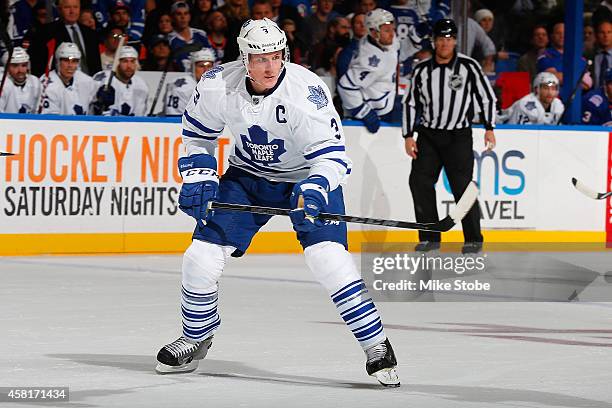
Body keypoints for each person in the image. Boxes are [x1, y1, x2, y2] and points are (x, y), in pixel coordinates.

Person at [154, 18, 400, 387]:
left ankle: (377, 346)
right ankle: (196, 337)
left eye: (275, 56)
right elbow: (197, 136)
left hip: (305, 177)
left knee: (328, 261)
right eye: (259, 58)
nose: (269, 66)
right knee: (199, 257)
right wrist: (199, 175)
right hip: (247, 178)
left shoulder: (306, 93)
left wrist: (315, 189)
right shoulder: (218, 83)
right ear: (244, 59)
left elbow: (333, 158)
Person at [402, 18, 496, 254]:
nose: (445, 43)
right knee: (419, 182)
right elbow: (410, 103)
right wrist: (408, 135)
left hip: (458, 136)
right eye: (440, 39)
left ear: (455, 41)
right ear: (433, 41)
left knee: (463, 188)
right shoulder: (421, 70)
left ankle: (473, 238)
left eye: (449, 38)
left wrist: (489, 127)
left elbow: (487, 97)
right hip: (429, 136)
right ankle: (430, 237)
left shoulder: (469, 66)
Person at [337, 8, 399, 133]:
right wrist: (363, 111)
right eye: (387, 30)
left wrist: (417, 34)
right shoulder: (369, 62)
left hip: (388, 98)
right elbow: (345, 86)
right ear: (374, 32)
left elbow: (398, 46)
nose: (392, 34)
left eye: (392, 29)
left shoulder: (383, 40)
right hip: (379, 111)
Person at [25, 0, 101, 76]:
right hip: (60, 83)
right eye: (67, 7)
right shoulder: (46, 32)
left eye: (75, 7)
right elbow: (39, 64)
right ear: (59, 9)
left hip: (90, 82)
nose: (72, 11)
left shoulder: (90, 33)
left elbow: (96, 65)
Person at [39, 42, 97, 115]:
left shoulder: (86, 81)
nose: (70, 65)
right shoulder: (47, 83)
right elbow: (50, 120)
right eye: (66, 60)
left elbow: (98, 100)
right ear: (58, 61)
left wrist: (102, 98)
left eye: (74, 61)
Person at [92, 46, 149, 116]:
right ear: (117, 63)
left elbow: (141, 116)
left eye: (132, 61)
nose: (129, 66)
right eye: (125, 61)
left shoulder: (141, 85)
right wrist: (99, 101)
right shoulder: (102, 79)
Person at [163, 48, 216, 116]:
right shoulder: (184, 87)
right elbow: (176, 118)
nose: (206, 70)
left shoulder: (219, 86)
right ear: (192, 67)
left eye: (209, 66)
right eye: (201, 66)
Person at [500, 72, 564, 125]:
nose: (550, 93)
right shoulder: (526, 104)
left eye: (553, 88)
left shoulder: (558, 104)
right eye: (546, 88)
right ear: (537, 89)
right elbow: (523, 133)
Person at [168, 1, 212, 72]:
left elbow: (212, 56)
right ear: (172, 17)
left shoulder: (201, 34)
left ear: (189, 16)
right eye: (179, 14)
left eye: (186, 13)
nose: (183, 17)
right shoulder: (170, 39)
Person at [0, 47, 41, 113]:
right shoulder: (3, 83)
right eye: (15, 66)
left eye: (24, 65)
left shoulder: (35, 82)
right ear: (6, 67)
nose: (20, 70)